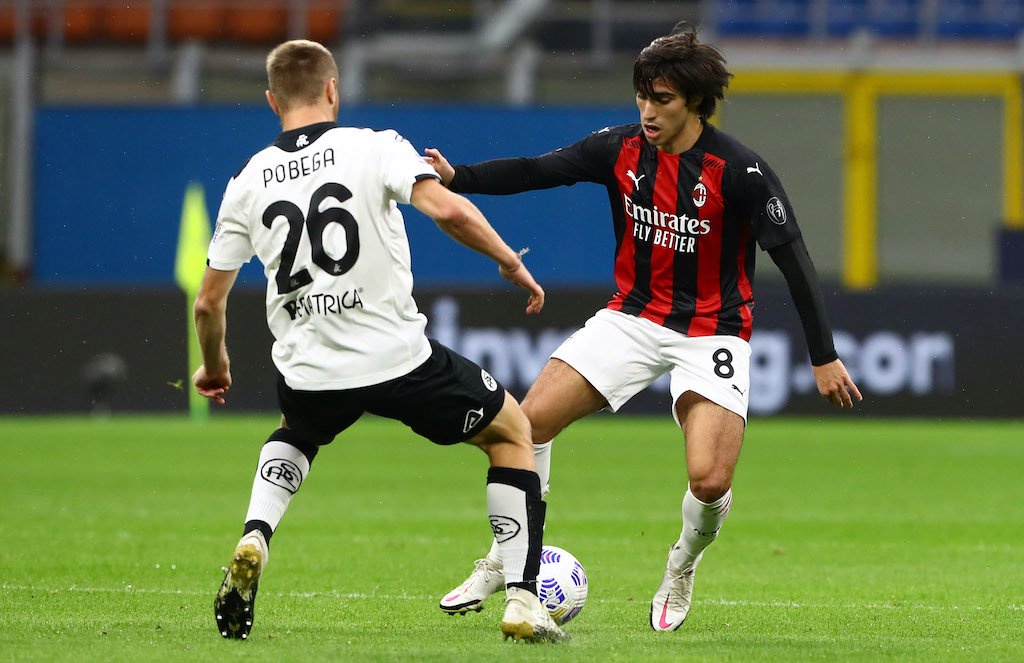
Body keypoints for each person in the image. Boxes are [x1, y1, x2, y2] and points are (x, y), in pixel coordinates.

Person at [426, 22, 863, 631]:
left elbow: (795, 261)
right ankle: (508, 556)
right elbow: (536, 170)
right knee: (525, 424)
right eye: (642, 96)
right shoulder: (620, 149)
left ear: (696, 103)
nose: (647, 111)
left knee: (709, 480)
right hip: (631, 318)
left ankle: (682, 564)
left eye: (662, 99)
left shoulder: (740, 171)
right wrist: (459, 177)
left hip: (713, 331)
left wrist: (823, 354)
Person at [192, 39, 567, 644]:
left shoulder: (246, 180)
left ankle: (256, 534)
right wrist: (509, 261)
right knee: (512, 432)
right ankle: (524, 599)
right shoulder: (376, 145)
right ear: (332, 89)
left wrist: (215, 366)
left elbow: (208, 303)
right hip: (397, 359)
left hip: (309, 368)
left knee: (298, 432)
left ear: (271, 101)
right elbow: (450, 212)